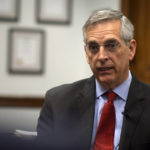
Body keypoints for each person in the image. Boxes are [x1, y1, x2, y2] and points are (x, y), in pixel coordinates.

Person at [36, 9, 150, 150]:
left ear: (131, 49)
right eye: (94, 47)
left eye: (111, 45)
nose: (101, 56)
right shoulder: (58, 102)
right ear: (86, 54)